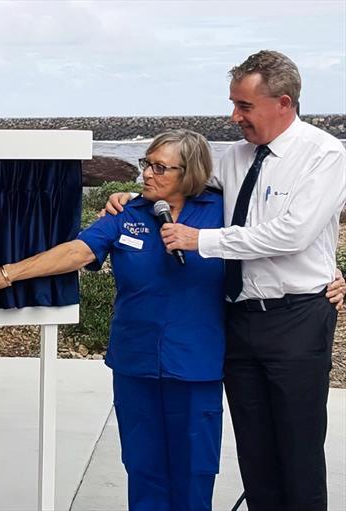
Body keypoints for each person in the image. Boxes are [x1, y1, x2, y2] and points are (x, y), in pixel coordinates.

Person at [106, 50, 346, 511]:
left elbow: (293, 234)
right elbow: (181, 182)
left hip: (297, 319)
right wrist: (128, 197)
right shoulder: (234, 157)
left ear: (284, 102)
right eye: (234, 103)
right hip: (238, 320)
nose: (234, 116)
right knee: (255, 454)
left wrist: (201, 240)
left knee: (297, 451)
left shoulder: (324, 154)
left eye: (244, 106)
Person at [0, 130, 226, 511]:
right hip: (135, 363)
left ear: (189, 173)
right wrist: (6, 274)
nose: (146, 174)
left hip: (196, 366)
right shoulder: (128, 212)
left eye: (159, 168)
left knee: (194, 472)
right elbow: (77, 251)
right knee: (143, 468)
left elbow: (269, 240)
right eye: (146, 163)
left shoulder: (223, 210)